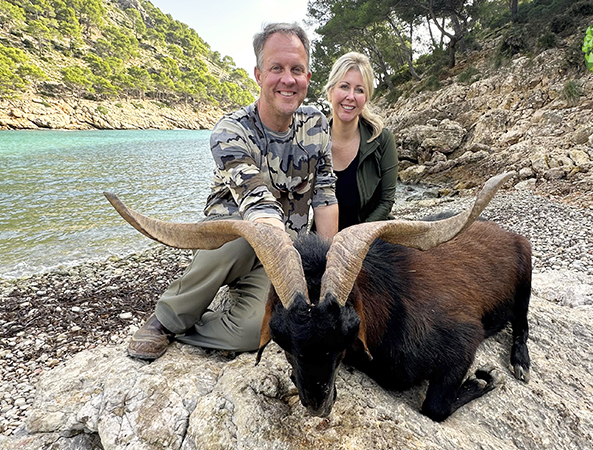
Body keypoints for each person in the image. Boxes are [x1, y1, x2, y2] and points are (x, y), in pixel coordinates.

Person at [127, 22, 338, 360]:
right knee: (241, 236)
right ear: (258, 74)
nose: (287, 79)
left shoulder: (316, 125)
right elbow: (259, 206)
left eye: (296, 69)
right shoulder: (230, 131)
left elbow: (326, 196)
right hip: (233, 246)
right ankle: (167, 319)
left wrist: (326, 272)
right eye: (276, 68)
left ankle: (192, 329)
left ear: (308, 77)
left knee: (259, 332)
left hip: (283, 255)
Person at [324, 52, 398, 230]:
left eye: (359, 90)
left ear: (366, 98)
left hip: (372, 237)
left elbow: (386, 202)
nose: (351, 96)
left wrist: (355, 238)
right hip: (324, 238)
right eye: (344, 86)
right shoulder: (314, 141)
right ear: (330, 92)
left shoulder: (382, 139)